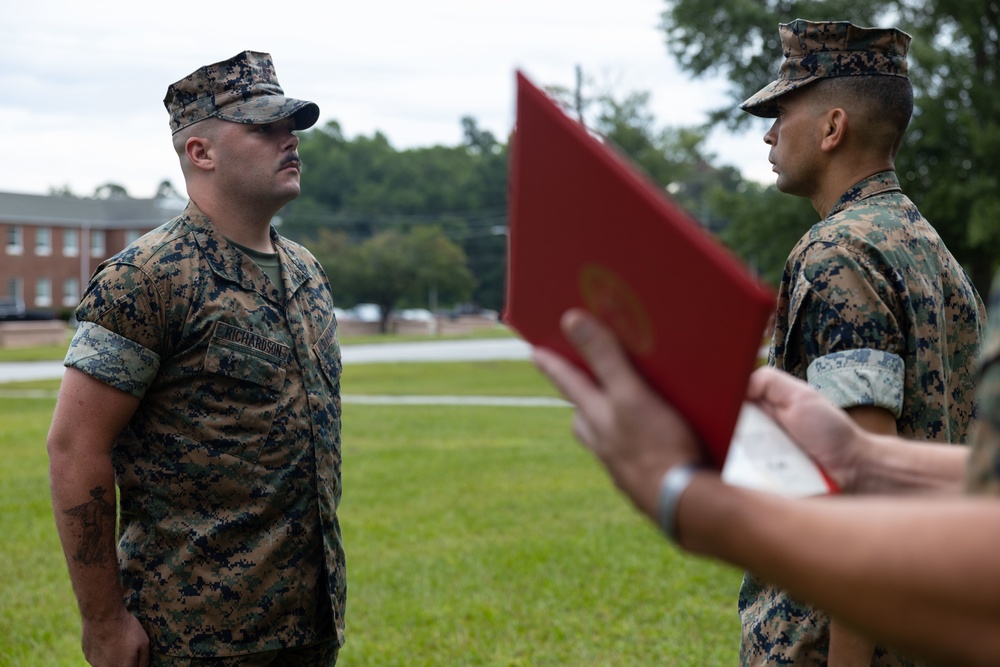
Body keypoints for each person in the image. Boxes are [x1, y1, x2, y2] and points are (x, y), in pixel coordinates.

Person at [531, 265, 1000, 667]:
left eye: (777, 145)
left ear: (829, 148)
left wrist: (687, 496)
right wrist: (864, 461)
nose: (768, 150)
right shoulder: (931, 244)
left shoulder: (837, 254)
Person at [47, 51, 345, 666]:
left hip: (307, 625)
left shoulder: (306, 273)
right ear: (200, 152)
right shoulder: (147, 278)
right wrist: (103, 621)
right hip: (191, 637)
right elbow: (76, 448)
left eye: (290, 126)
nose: (289, 140)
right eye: (263, 127)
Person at [734, 18, 985, 666]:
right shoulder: (928, 246)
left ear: (831, 127)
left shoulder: (837, 252)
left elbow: (862, 489)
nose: (767, 131)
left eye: (780, 111)